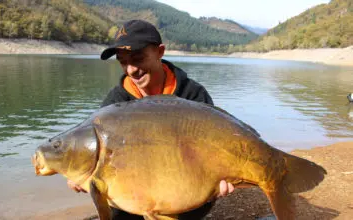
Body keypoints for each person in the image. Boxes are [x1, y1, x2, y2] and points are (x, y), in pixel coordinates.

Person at [67, 19, 235, 219]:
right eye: (123, 61)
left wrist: (223, 175)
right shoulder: (116, 102)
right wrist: (80, 173)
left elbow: (217, 145)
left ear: (160, 52)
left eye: (138, 58)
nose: (131, 70)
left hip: (186, 194)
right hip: (131, 201)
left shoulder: (192, 94)